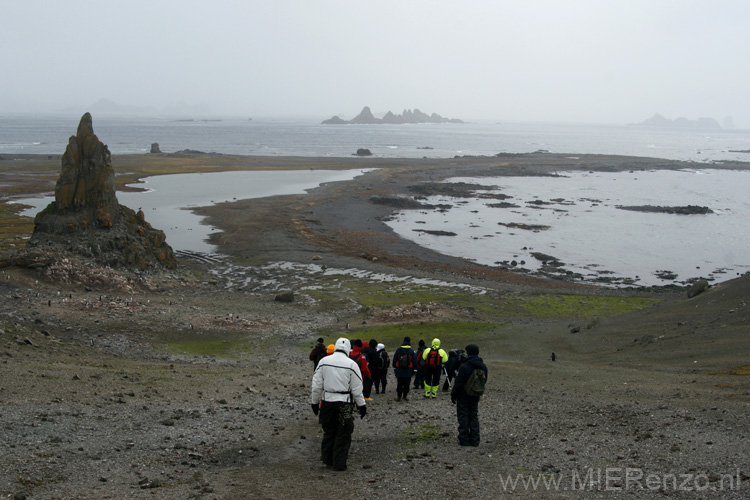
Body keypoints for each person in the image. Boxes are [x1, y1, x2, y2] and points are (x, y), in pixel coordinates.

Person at [310, 337, 367, 471]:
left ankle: (327, 459)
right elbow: (357, 388)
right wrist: (362, 405)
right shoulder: (351, 364)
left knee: (329, 431)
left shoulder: (324, 362)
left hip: (327, 402)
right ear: (348, 349)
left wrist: (314, 402)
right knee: (343, 433)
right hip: (344, 403)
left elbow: (316, 385)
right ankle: (339, 464)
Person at [450, 344, 488, 447]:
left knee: (463, 416)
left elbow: (458, 383)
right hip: (475, 394)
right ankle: (475, 440)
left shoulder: (464, 366)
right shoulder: (483, 366)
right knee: (473, 416)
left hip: (463, 395)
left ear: (469, 353)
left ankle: (464, 440)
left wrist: (453, 394)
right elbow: (484, 380)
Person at [392, 336, 417, 401]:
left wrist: (394, 366)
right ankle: (405, 396)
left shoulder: (398, 350)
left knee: (399, 383)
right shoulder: (411, 351)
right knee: (407, 384)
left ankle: (399, 396)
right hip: (408, 370)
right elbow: (414, 361)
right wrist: (415, 369)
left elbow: (395, 359)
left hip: (399, 369)